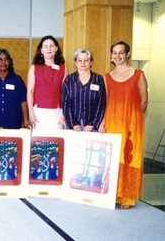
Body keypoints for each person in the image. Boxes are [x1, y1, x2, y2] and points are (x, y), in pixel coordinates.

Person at [100, 41, 148, 209]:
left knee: (130, 157)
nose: (117, 56)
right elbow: (104, 102)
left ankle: (127, 196)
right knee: (114, 158)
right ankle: (114, 194)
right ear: (111, 55)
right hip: (112, 123)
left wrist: (132, 118)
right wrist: (103, 122)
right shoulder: (106, 77)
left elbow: (143, 101)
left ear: (127, 54)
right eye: (114, 52)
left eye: (121, 52)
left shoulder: (138, 74)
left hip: (132, 125)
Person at [27, 35, 67, 130]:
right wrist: (31, 113)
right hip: (38, 113)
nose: (49, 49)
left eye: (51, 46)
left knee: (57, 143)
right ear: (41, 50)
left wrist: (64, 113)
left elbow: (65, 93)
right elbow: (30, 92)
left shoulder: (63, 68)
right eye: (45, 46)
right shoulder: (34, 68)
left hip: (57, 112)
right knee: (39, 143)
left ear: (56, 48)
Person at [0, 48, 29, 129]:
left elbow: (23, 101)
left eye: (6, 59)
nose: (3, 62)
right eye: (0, 60)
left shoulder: (17, 79)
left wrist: (25, 119)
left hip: (13, 123)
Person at [62, 48, 106, 132]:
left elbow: (101, 104)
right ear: (76, 63)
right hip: (73, 127)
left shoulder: (98, 79)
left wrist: (93, 124)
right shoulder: (69, 79)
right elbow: (66, 104)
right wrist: (74, 124)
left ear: (91, 63)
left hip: (92, 127)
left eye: (86, 60)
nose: (83, 63)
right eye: (80, 60)